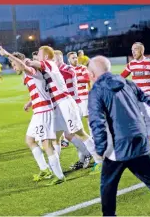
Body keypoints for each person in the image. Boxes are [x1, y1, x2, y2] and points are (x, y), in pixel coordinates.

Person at [88, 56, 150, 217]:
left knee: (108, 186)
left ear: (91, 74)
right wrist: (147, 132)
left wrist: (100, 148)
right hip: (139, 140)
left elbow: (97, 122)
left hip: (118, 147)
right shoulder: (127, 82)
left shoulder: (96, 90)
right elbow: (148, 105)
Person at [26, 46, 102, 174]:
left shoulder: (54, 66)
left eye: (39, 55)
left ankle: (99, 161)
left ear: (47, 57)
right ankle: (55, 169)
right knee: (57, 137)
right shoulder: (50, 70)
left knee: (80, 133)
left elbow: (38, 64)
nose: (37, 57)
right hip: (58, 106)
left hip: (67, 103)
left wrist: (26, 62)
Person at [0, 46, 65, 185]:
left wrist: (7, 54)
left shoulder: (31, 69)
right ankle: (45, 169)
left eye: (14, 64)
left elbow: (24, 66)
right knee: (30, 140)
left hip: (44, 111)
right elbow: (39, 89)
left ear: (20, 61)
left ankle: (59, 176)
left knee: (47, 144)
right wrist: (30, 102)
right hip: (38, 111)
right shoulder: (28, 72)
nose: (13, 67)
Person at [53, 50, 93, 170]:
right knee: (69, 134)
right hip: (68, 105)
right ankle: (84, 157)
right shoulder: (60, 70)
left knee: (80, 132)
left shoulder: (66, 70)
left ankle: (98, 158)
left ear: (61, 59)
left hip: (73, 104)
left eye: (55, 60)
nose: (53, 62)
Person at [67, 51, 91, 130]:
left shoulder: (82, 67)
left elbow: (87, 79)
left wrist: (75, 79)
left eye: (76, 57)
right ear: (69, 60)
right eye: (73, 58)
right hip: (73, 99)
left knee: (88, 118)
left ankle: (93, 137)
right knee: (75, 120)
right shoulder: (67, 70)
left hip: (84, 97)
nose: (75, 59)